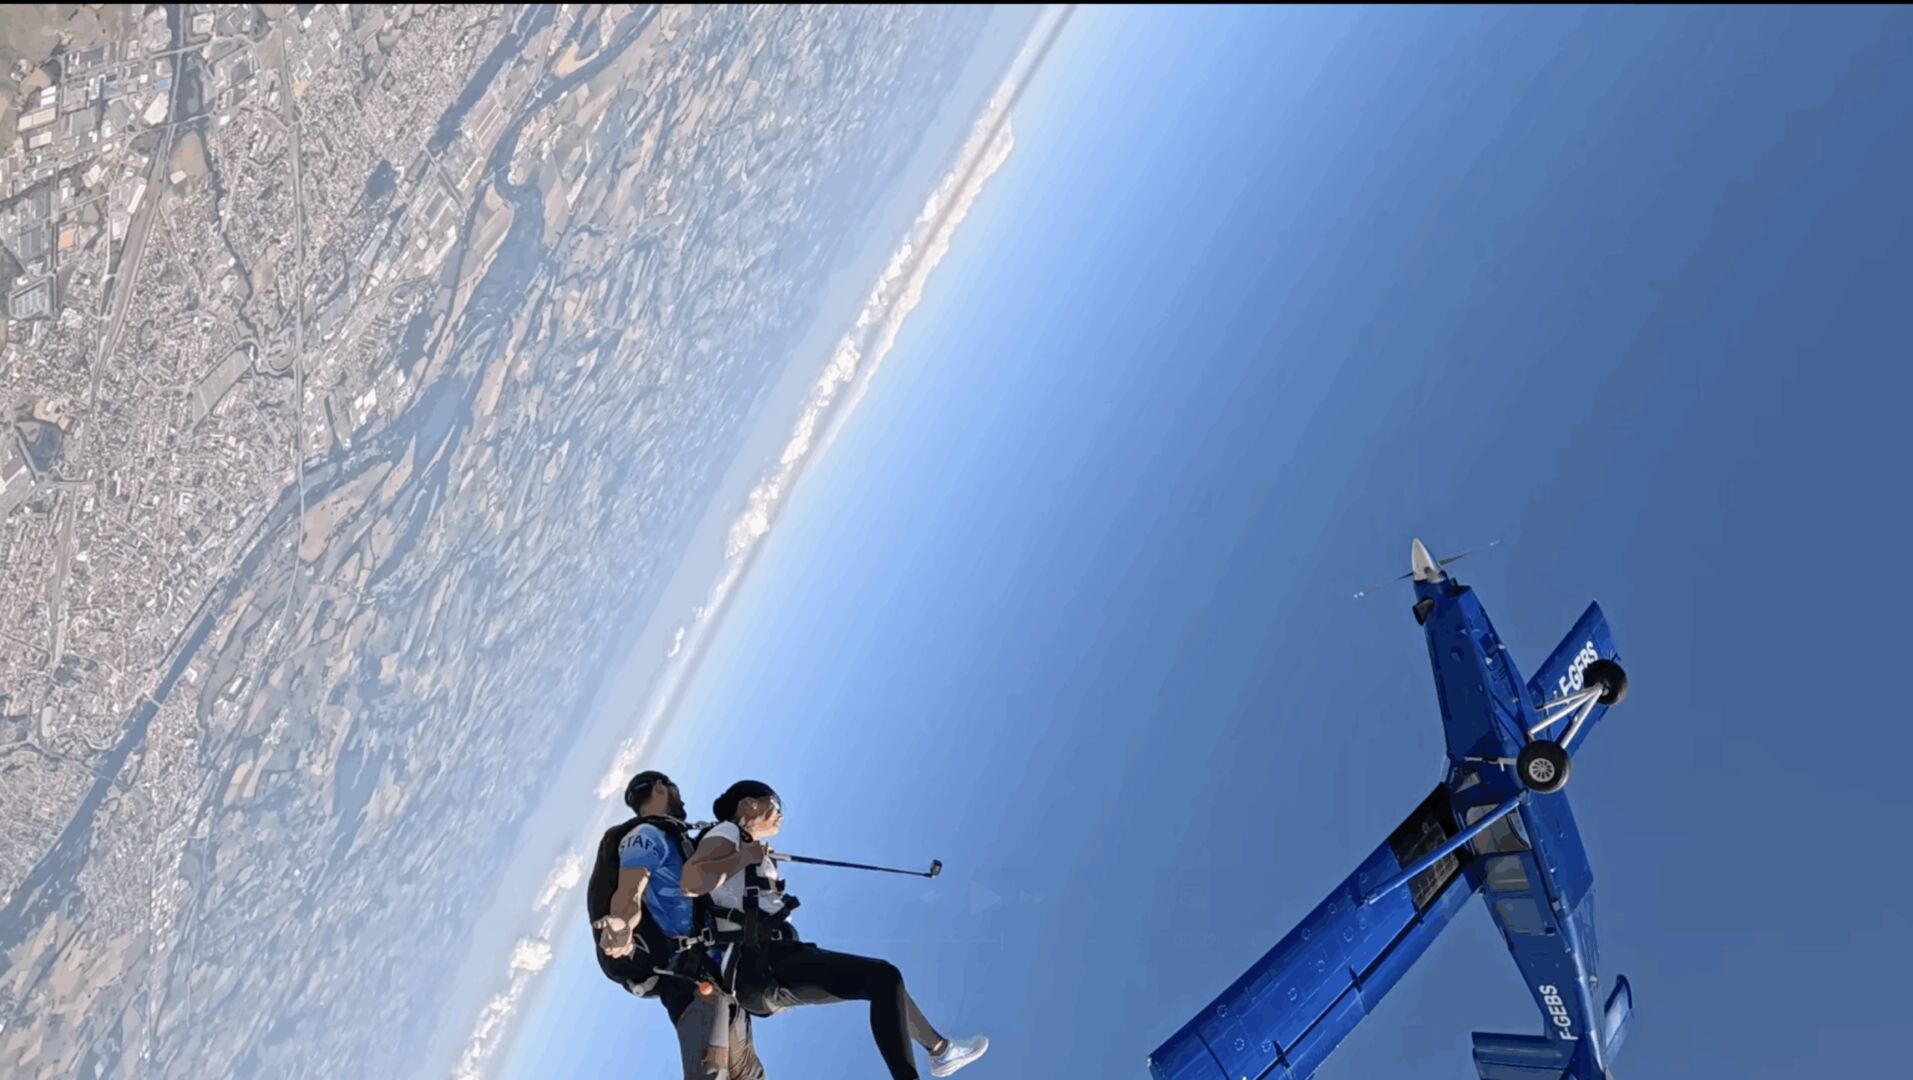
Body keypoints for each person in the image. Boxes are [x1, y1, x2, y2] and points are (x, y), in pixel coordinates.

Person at [680, 780, 988, 1079]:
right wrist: (746, 856)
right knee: (883, 978)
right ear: (748, 804)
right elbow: (692, 882)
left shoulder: (743, 843)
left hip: (766, 967)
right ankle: (940, 1052)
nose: (781, 814)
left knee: (883, 981)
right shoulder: (728, 831)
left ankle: (941, 1050)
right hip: (759, 960)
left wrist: (750, 857)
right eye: (775, 804)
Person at [592, 771, 765, 1080]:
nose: (681, 798)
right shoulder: (645, 835)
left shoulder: (677, 839)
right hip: (690, 983)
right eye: (674, 788)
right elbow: (629, 894)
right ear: (661, 787)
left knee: (748, 1075)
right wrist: (622, 923)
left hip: (720, 981)